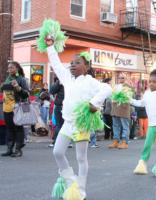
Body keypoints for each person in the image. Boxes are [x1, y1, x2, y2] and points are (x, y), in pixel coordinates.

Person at [45, 39, 112, 200]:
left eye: (77, 62)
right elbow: (56, 64)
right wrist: (50, 46)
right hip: (67, 124)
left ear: (86, 66)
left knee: (81, 158)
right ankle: (70, 181)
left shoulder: (90, 81)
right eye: (71, 63)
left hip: (82, 125)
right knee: (57, 152)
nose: (73, 65)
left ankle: (80, 191)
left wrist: (94, 103)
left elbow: (107, 89)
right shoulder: (67, 79)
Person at [1, 61, 29, 157]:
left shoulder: (21, 79)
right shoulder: (8, 79)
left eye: (12, 67)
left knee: (18, 128)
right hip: (6, 107)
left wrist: (18, 87)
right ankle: (9, 149)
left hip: (17, 108)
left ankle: (18, 150)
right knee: (9, 128)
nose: (9, 69)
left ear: (17, 69)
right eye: (9, 68)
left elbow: (26, 94)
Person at [109, 73, 132, 149]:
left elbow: (130, 97)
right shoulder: (115, 86)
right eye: (119, 78)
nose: (121, 79)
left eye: (123, 78)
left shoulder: (128, 86)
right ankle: (116, 141)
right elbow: (112, 96)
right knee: (115, 126)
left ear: (126, 79)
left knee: (125, 126)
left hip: (124, 109)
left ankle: (124, 142)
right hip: (115, 108)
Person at [49, 76, 64, 147]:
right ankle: (67, 142)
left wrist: (55, 101)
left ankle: (56, 142)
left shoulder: (62, 80)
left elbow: (51, 91)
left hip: (60, 105)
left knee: (59, 124)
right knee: (66, 125)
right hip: (67, 105)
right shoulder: (75, 80)